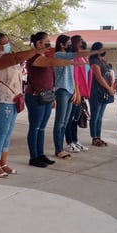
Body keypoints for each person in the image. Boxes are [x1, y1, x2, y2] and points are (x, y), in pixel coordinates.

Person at [0, 32, 48, 177]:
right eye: (5, 42)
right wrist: (35, 51)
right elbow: (15, 57)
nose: (8, 44)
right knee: (0, 133)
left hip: (14, 99)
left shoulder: (9, 58)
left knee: (7, 133)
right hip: (2, 99)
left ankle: (4, 163)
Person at [25, 32, 81, 168]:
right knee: (35, 126)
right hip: (35, 95)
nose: (49, 45)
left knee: (42, 128)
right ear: (38, 43)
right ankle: (33, 157)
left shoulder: (45, 57)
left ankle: (40, 154)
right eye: (46, 42)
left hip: (47, 94)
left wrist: (53, 96)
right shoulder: (34, 57)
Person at [65, 36, 91, 153]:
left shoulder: (84, 58)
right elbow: (74, 76)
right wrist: (77, 92)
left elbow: (87, 75)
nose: (82, 42)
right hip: (75, 91)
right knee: (69, 119)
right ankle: (69, 142)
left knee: (76, 119)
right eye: (80, 40)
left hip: (83, 92)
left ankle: (75, 141)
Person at [88, 42, 114, 146]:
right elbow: (98, 77)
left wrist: (111, 87)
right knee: (95, 115)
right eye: (102, 48)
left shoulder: (103, 61)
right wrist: (108, 88)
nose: (104, 50)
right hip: (96, 91)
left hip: (105, 91)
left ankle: (98, 136)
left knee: (100, 116)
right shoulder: (94, 61)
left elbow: (109, 74)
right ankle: (94, 137)